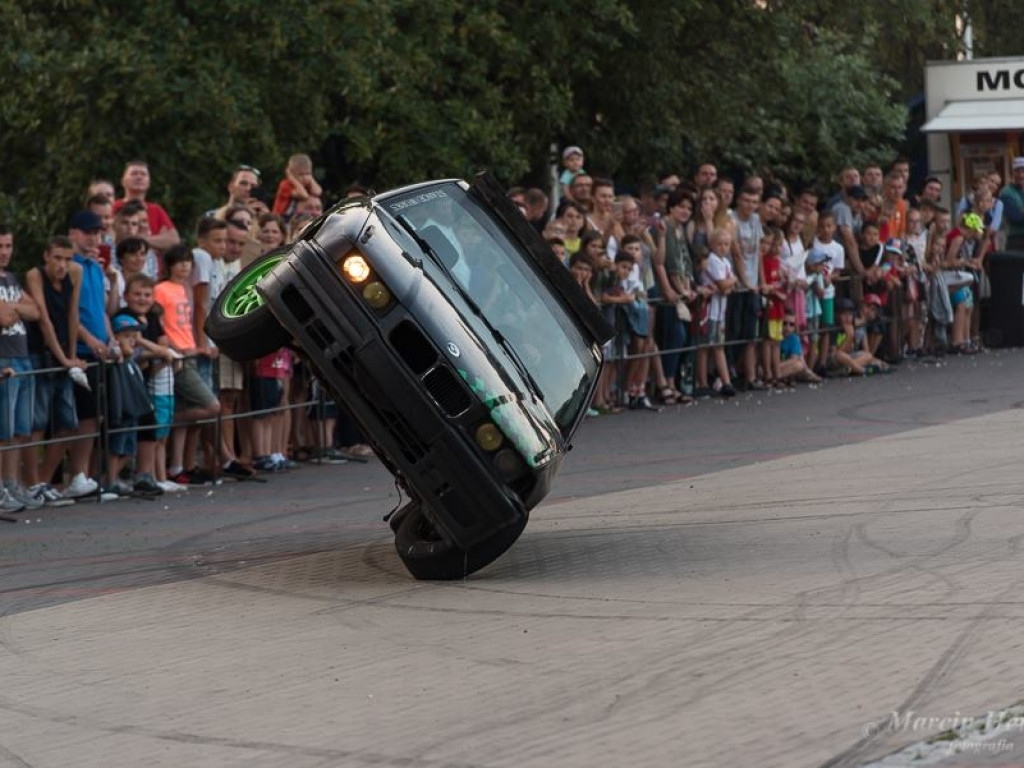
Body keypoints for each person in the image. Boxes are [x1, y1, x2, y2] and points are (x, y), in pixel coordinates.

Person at [21, 236, 85, 506]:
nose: (62, 264)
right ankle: (32, 483)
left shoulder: (75, 272)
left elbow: (73, 314)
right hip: (41, 353)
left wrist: (71, 355)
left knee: (68, 422)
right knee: (36, 421)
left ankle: (45, 481)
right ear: (46, 256)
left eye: (67, 259)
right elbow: (44, 319)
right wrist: (64, 358)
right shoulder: (35, 275)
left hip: (62, 355)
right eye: (57, 258)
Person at [152, 246, 221, 485]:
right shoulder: (160, 289)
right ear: (169, 265)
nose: (184, 267)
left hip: (189, 350)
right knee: (212, 406)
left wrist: (198, 345)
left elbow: (187, 322)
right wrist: (174, 347)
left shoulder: (184, 289)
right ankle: (171, 418)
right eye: (179, 262)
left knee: (187, 410)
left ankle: (177, 466)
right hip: (176, 355)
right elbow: (159, 323)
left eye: (188, 263)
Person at [116, 274, 184, 494]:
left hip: (147, 378)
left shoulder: (153, 318)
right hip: (128, 379)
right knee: (124, 429)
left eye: (147, 295)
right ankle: (113, 476)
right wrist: (157, 352)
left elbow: (160, 347)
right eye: (137, 294)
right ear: (126, 296)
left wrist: (157, 353)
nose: (142, 299)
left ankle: (144, 475)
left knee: (149, 426)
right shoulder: (123, 316)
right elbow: (135, 347)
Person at [67, 210, 115, 499]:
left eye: (97, 233)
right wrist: (90, 338)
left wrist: (109, 338)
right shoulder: (71, 266)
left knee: (96, 415)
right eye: (88, 232)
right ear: (73, 232)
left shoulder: (95, 266)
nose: (94, 237)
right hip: (82, 350)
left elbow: (101, 310)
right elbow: (72, 313)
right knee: (83, 416)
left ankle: (86, 474)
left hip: (99, 348)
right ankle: (75, 475)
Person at [0, 225, 42, 512]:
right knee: (3, 430)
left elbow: (35, 311)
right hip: (5, 360)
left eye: (8, 246)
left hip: (23, 356)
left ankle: (12, 482)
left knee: (19, 430)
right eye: (0, 247)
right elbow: (5, 318)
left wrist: (12, 306)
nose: (5, 252)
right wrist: (16, 307)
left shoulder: (12, 278)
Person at [695, 228, 736, 398]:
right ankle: (702, 382)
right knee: (705, 346)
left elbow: (730, 285)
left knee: (718, 345)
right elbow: (724, 284)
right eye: (719, 244)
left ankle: (726, 382)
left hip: (721, 309)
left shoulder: (725, 262)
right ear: (712, 245)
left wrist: (729, 283)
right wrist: (730, 282)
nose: (723, 248)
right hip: (709, 310)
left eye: (726, 244)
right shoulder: (712, 260)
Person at [112, 160, 180, 253]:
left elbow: (173, 240)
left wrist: (141, 239)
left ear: (149, 182)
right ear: (123, 181)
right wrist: (156, 240)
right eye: (134, 174)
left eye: (143, 174)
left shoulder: (156, 210)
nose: (139, 177)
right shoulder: (113, 207)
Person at [759, 227, 787, 388]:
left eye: (778, 245)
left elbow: (778, 283)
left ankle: (777, 373)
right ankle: (768, 373)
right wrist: (776, 292)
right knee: (768, 341)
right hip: (770, 305)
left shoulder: (777, 262)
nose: (776, 249)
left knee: (777, 340)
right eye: (773, 245)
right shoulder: (765, 261)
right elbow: (768, 284)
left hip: (778, 307)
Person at [271, 153, 323, 220]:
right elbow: (304, 195)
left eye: (308, 173)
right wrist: (291, 178)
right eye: (301, 174)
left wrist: (311, 179)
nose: (305, 178)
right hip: (280, 218)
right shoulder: (285, 184)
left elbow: (317, 192)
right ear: (292, 174)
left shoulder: (307, 184)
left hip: (293, 218)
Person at [779, 313, 822, 384]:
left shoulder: (794, 338)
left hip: (782, 367)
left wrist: (777, 366)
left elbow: (794, 359)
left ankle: (778, 377)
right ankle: (781, 377)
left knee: (798, 365)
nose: (787, 327)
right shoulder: (775, 336)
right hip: (774, 367)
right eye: (785, 323)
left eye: (791, 324)